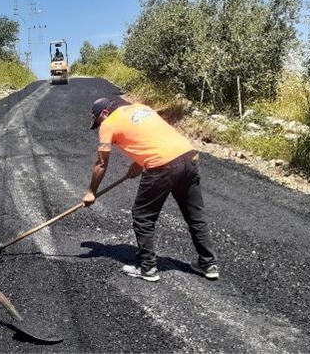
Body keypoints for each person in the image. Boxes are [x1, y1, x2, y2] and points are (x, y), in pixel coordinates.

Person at [82, 97, 219, 282]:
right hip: (188, 156)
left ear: (105, 113)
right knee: (195, 214)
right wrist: (138, 163)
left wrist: (91, 191)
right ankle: (208, 264)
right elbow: (152, 136)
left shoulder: (109, 123)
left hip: (162, 166)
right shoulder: (141, 108)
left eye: (98, 122)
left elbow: (101, 162)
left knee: (142, 216)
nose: (99, 127)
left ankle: (147, 268)